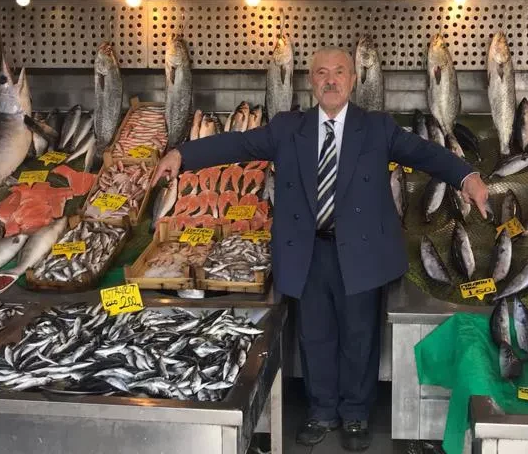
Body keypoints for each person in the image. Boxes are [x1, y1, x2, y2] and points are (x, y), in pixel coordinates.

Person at [152, 47, 489, 452]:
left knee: (359, 336)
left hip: (360, 252)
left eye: (339, 72)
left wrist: (466, 177)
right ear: (311, 81)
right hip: (308, 251)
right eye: (322, 73)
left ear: (353, 80)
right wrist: (182, 154)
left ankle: (356, 414)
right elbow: (237, 145)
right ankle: (320, 411)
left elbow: (425, 153)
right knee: (314, 336)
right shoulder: (287, 128)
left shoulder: (377, 128)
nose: (331, 80)